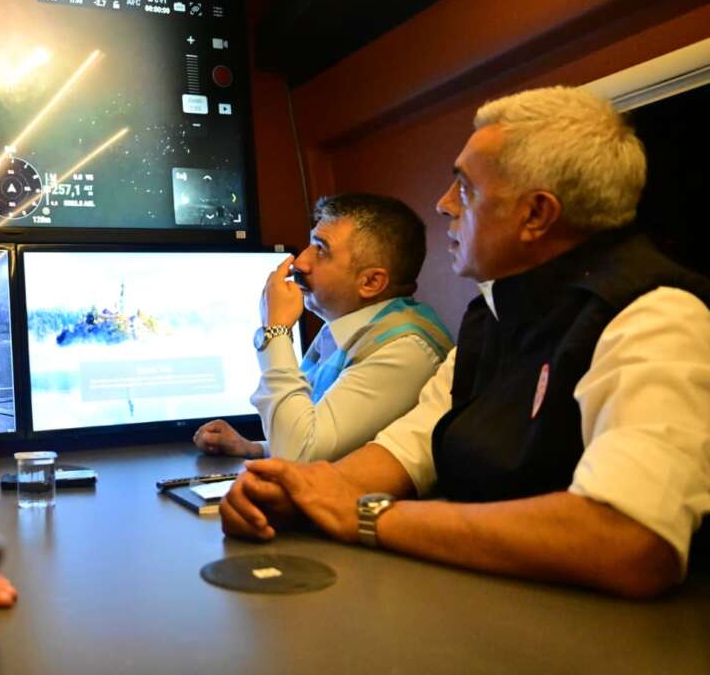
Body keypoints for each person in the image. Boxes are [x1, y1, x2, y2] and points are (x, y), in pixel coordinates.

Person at [220, 86, 710, 599]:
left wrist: (369, 516)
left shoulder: (656, 316)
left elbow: (631, 539)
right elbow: (410, 447)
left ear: (536, 214)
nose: (443, 204)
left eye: (465, 188)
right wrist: (302, 493)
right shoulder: (491, 317)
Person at [194, 193, 453, 462]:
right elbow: (330, 441)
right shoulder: (346, 329)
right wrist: (254, 449)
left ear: (371, 282)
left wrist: (276, 331)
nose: (300, 262)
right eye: (310, 243)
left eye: (321, 249)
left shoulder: (405, 349)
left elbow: (300, 456)